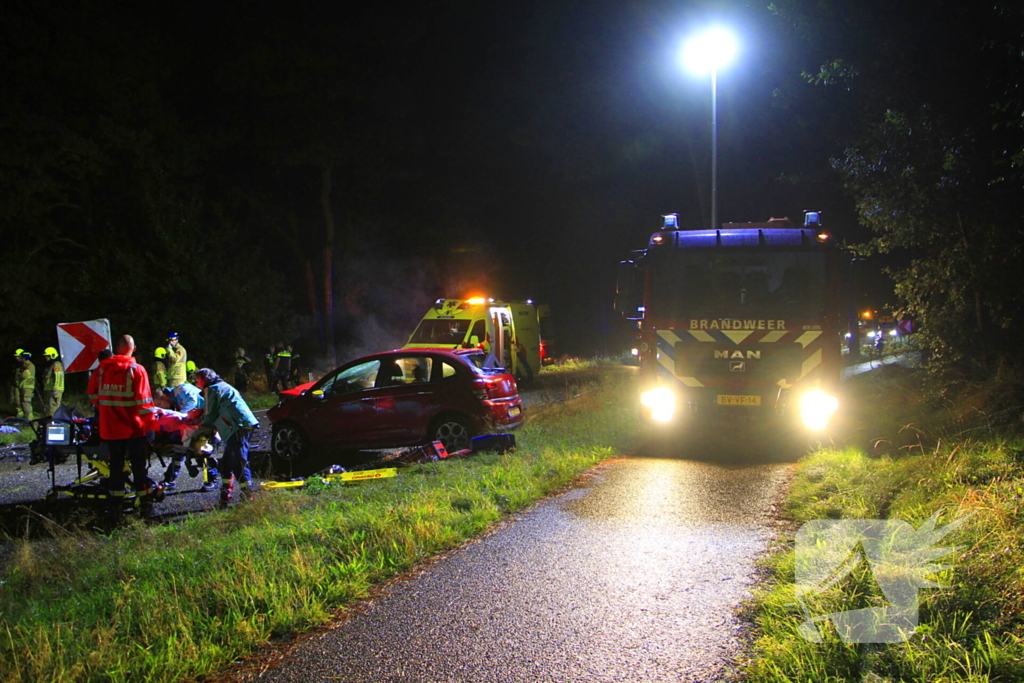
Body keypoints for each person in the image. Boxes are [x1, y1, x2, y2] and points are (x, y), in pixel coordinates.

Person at [87, 335, 158, 518]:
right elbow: (145, 402)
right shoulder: (137, 370)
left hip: (110, 429)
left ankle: (115, 506)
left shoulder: (102, 369)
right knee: (139, 468)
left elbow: (92, 394)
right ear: (133, 349)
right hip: (134, 429)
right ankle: (145, 504)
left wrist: (103, 408)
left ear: (118, 347)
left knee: (115, 469)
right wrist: (150, 426)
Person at [194, 368, 259, 507]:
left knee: (238, 462)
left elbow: (210, 415)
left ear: (204, 379)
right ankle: (225, 495)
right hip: (242, 423)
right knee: (227, 462)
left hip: (237, 426)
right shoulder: (222, 386)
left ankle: (248, 496)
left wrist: (196, 422)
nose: (197, 384)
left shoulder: (212, 389)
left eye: (197, 381)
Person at [40, 347, 65, 417]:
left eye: (47, 356)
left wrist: (56, 389)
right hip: (49, 389)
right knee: (49, 407)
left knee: (53, 407)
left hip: (54, 390)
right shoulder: (50, 365)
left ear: (52, 355)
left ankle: (54, 422)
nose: (46, 358)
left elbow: (58, 377)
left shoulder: (56, 364)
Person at [14, 350, 35, 421]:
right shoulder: (23, 366)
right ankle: (25, 419)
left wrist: (19, 374)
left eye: (22, 358)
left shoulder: (30, 366)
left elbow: (24, 375)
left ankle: (29, 420)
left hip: (28, 387)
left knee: (26, 403)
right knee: (23, 402)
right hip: (23, 386)